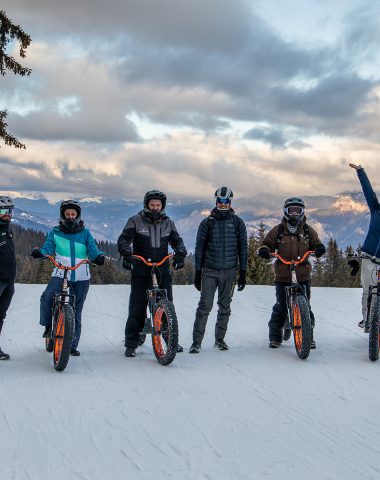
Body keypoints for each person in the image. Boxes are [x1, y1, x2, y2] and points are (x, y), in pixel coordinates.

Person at [118, 190, 187, 358]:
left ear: (162, 206)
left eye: (158, 205)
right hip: (141, 270)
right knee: (137, 308)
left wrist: (180, 254)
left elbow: (177, 241)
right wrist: (127, 255)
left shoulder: (168, 223)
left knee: (167, 306)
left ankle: (170, 339)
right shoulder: (135, 221)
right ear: (146, 204)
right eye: (152, 205)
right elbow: (124, 240)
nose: (155, 208)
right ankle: (131, 343)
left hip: (162, 269)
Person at [31, 200, 105, 356]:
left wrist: (98, 257)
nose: (70, 217)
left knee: (76, 311)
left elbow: (93, 249)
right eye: (67, 214)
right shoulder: (56, 232)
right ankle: (49, 327)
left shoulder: (85, 233)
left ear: (78, 215)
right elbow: (48, 248)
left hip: (81, 275)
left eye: (73, 214)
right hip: (60, 272)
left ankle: (71, 345)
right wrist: (40, 253)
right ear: (62, 215)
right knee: (47, 297)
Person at [258, 197, 325, 349]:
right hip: (283, 273)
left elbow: (317, 243)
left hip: (302, 273)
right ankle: (275, 336)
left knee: (305, 305)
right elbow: (266, 243)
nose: (294, 214)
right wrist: (265, 250)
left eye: (298, 210)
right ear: (286, 212)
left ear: (302, 212)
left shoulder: (307, 230)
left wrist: (319, 248)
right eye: (291, 210)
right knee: (281, 306)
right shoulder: (279, 230)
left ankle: (309, 336)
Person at [189, 187, 247, 353]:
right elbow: (199, 249)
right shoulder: (207, 223)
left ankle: (220, 340)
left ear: (230, 202)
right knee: (204, 307)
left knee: (225, 307)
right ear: (216, 202)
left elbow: (243, 249)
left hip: (230, 271)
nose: (223, 205)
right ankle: (196, 342)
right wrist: (197, 272)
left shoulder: (237, 223)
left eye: (226, 202)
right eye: (220, 202)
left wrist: (243, 272)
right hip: (210, 270)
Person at [349, 163, 380, 329]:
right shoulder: (376, 209)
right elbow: (368, 191)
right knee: (368, 292)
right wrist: (360, 171)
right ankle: (367, 320)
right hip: (369, 258)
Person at [0, 196, 16, 360]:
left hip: (8, 280)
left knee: (0, 315)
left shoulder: (7, 228)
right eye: (3, 210)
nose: (7, 214)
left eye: (10, 210)